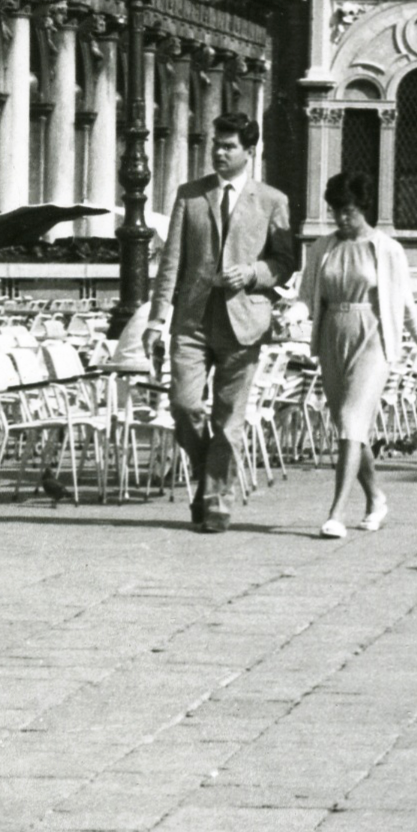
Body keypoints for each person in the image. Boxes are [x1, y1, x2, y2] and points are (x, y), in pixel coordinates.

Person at [144, 110, 296, 532]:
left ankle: (214, 501)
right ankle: (208, 471)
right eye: (216, 144)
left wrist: (251, 273)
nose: (219, 152)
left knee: (230, 419)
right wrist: (156, 321)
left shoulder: (272, 201)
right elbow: (171, 262)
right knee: (184, 404)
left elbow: (284, 262)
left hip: (244, 321)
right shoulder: (190, 195)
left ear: (250, 151)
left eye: (229, 146)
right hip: (192, 320)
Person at [303, 172, 417, 539]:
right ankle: (376, 497)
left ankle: (336, 513)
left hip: (373, 337)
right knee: (349, 428)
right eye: (336, 211)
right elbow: (306, 295)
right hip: (332, 334)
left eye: (349, 211)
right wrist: (290, 316)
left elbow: (404, 302)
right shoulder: (322, 247)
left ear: (363, 209)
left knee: (350, 419)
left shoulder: (387, 248)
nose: (341, 218)